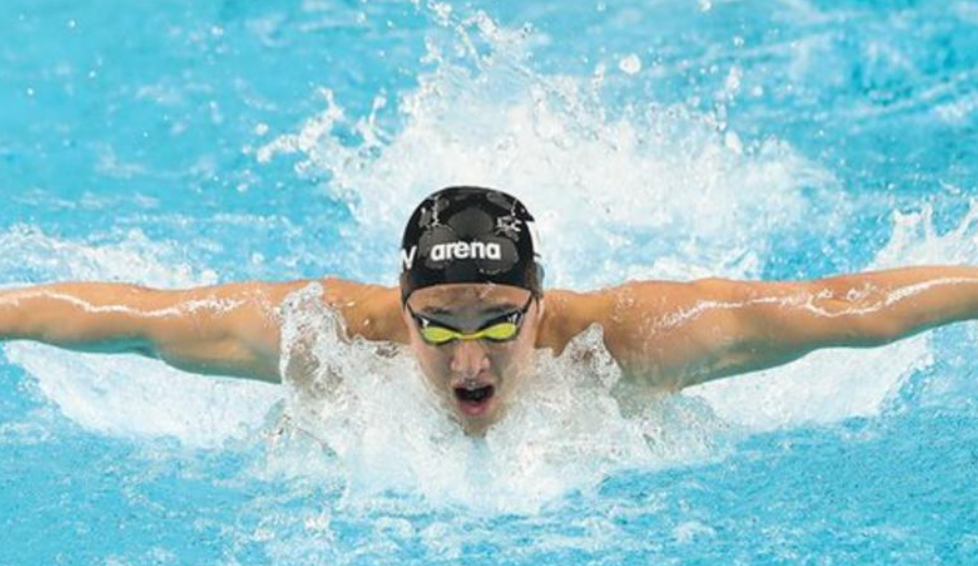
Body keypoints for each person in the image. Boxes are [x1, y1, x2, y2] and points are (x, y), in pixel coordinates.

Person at [2, 186, 977, 435]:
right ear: (401, 309)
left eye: (500, 319)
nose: (470, 355)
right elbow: (133, 315)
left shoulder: (627, 341)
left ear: (541, 305)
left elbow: (842, 305)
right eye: (440, 322)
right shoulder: (325, 336)